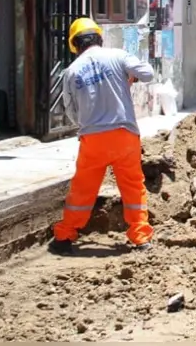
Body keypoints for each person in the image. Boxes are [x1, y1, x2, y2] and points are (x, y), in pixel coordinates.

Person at [48, 17, 156, 255]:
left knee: (82, 189)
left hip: (93, 139)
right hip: (125, 134)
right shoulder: (118, 56)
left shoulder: (71, 71)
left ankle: (64, 236)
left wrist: (87, 124)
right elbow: (148, 73)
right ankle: (140, 237)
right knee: (132, 186)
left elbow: (70, 110)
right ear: (99, 37)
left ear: (75, 45)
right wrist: (131, 77)